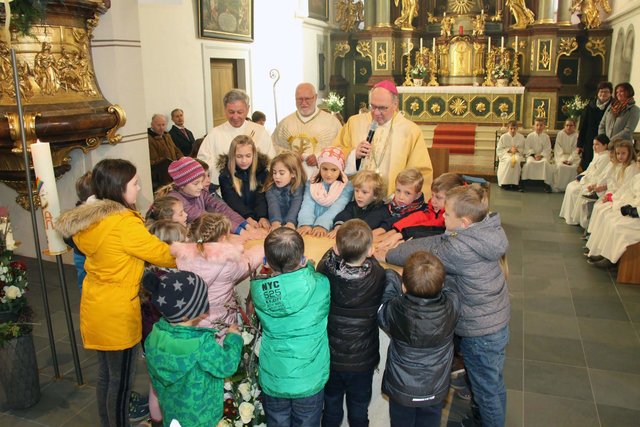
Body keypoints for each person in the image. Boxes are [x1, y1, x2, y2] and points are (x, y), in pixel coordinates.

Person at [56, 159, 177, 427]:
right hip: (118, 310)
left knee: (106, 376)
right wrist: (197, 251)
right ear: (118, 188)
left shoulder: (92, 218)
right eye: (134, 183)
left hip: (97, 305)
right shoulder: (123, 224)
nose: (139, 187)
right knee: (121, 382)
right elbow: (163, 254)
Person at [381, 185, 510, 427]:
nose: (443, 217)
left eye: (447, 214)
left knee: (487, 390)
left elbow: (429, 253)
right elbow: (438, 240)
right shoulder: (484, 231)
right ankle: (482, 419)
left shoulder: (458, 249)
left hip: (479, 329)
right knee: (488, 382)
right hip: (493, 320)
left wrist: (390, 255)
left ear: (463, 222)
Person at [250, 228, 330, 426]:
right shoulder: (321, 285)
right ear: (302, 259)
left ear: (266, 263)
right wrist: (309, 268)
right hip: (308, 379)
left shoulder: (258, 292)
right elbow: (311, 281)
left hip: (274, 377)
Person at [143, 270, 243, 427]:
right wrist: (233, 338)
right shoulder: (201, 345)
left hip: (172, 412)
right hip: (202, 417)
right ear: (191, 312)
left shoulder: (153, 337)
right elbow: (227, 366)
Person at [316, 219, 386, 427]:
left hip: (332, 358)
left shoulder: (326, 271)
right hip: (362, 361)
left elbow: (325, 261)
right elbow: (373, 265)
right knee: (359, 411)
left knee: (330, 408)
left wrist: (334, 251)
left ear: (336, 248)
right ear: (371, 250)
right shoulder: (378, 275)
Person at [378, 251, 460, 427]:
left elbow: (382, 305)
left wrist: (392, 275)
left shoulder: (395, 310)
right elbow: (451, 287)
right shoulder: (452, 305)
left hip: (402, 390)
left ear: (405, 287)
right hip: (435, 388)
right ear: (441, 283)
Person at [333, 79, 433, 197]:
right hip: (355, 196)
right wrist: (354, 155)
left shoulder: (410, 131)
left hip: (391, 199)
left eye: (382, 108)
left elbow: (420, 173)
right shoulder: (354, 123)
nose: (376, 113)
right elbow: (334, 154)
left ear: (395, 105)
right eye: (373, 106)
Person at [171, 213, 263, 331]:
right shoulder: (227, 263)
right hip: (220, 323)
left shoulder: (182, 257)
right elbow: (248, 263)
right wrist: (260, 248)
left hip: (192, 319)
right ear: (223, 238)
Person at [162, 157, 259, 239]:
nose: (201, 186)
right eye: (196, 183)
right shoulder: (175, 200)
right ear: (182, 185)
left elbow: (221, 208)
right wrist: (241, 232)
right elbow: (206, 217)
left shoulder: (200, 192)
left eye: (201, 181)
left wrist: (246, 225)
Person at [198, 89, 276, 185]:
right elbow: (202, 164)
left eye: (239, 112)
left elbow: (270, 162)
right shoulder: (215, 134)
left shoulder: (259, 131)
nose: (235, 117)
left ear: (247, 109)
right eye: (231, 112)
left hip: (255, 188)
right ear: (225, 110)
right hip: (225, 190)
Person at [272, 83, 342, 177]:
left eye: (307, 98)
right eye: (299, 99)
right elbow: (273, 147)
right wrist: (290, 156)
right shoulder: (285, 124)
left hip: (321, 179)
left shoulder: (332, 123)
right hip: (291, 180)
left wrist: (319, 157)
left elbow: (340, 148)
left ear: (315, 97)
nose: (303, 102)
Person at [297, 147, 354, 237]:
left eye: (334, 170)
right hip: (308, 227)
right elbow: (307, 205)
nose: (328, 174)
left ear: (340, 170)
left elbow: (336, 209)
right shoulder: (312, 183)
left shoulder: (346, 187)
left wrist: (321, 225)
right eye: (325, 169)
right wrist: (305, 223)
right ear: (319, 168)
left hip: (328, 228)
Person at [391, 172, 466, 240]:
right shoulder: (432, 209)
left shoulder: (451, 219)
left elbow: (431, 225)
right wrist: (397, 228)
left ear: (453, 199)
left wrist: (404, 233)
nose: (433, 201)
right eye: (432, 195)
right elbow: (417, 217)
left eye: (438, 197)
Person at [217, 135, 270, 229]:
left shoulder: (262, 171)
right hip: (238, 219)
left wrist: (262, 216)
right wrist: (247, 217)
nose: (244, 160)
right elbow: (232, 201)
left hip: (260, 217)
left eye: (248, 156)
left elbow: (261, 196)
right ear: (232, 156)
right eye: (239, 156)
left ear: (254, 155)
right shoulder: (225, 176)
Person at [559, 134, 610, 225]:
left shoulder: (605, 157)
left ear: (605, 145)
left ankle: (576, 219)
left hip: (593, 183)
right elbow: (590, 170)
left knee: (575, 190)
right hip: (588, 179)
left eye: (597, 144)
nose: (594, 147)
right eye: (593, 144)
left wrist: (583, 179)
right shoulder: (598, 155)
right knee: (570, 186)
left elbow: (597, 175)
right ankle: (569, 216)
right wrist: (581, 176)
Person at [330, 170, 389, 238]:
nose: (359, 195)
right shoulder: (352, 205)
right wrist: (339, 227)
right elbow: (344, 215)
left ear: (375, 194)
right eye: (357, 191)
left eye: (364, 192)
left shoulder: (381, 209)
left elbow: (365, 225)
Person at [264, 151, 307, 230]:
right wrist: (275, 223)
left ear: (293, 173)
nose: (276, 176)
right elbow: (273, 205)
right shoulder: (270, 188)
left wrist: (290, 223)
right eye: (274, 172)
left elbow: (296, 205)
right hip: (276, 223)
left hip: (294, 224)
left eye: (281, 173)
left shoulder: (299, 187)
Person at [577, 81, 612, 171]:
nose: (603, 94)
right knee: (588, 163)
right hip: (590, 140)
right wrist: (580, 144)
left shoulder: (614, 107)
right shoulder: (590, 105)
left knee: (602, 165)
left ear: (610, 93)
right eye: (601, 91)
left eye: (606, 92)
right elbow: (583, 125)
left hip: (605, 141)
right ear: (598, 93)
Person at [148, 113, 184, 189]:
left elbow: (176, 149)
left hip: (174, 172)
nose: (161, 128)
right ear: (152, 125)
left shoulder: (167, 135)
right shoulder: (149, 139)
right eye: (158, 125)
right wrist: (168, 162)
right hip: (161, 177)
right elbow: (153, 160)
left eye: (163, 125)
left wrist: (181, 158)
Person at [521, 118, 553, 192]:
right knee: (529, 163)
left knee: (545, 163)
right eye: (537, 125)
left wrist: (541, 155)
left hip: (543, 156)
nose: (539, 127)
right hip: (532, 156)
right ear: (534, 126)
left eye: (541, 125)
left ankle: (547, 185)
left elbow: (547, 149)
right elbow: (527, 148)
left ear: (544, 126)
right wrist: (534, 155)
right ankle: (524, 183)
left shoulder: (546, 137)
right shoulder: (530, 136)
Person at [496, 120, 525, 191]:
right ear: (507, 128)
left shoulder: (521, 137)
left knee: (517, 161)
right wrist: (509, 150)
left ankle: (515, 183)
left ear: (517, 129)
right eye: (511, 128)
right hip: (506, 154)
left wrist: (517, 150)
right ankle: (505, 183)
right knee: (509, 161)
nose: (512, 130)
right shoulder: (503, 137)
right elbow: (499, 149)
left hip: (517, 154)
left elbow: (523, 148)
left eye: (514, 129)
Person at [552, 118, 580, 192]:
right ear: (564, 126)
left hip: (573, 157)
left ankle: (570, 188)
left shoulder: (576, 135)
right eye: (567, 125)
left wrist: (570, 160)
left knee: (573, 168)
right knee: (561, 166)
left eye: (571, 125)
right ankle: (559, 187)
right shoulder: (560, 134)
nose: (568, 127)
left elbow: (576, 149)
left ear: (574, 126)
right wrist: (563, 160)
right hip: (562, 156)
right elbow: (558, 147)